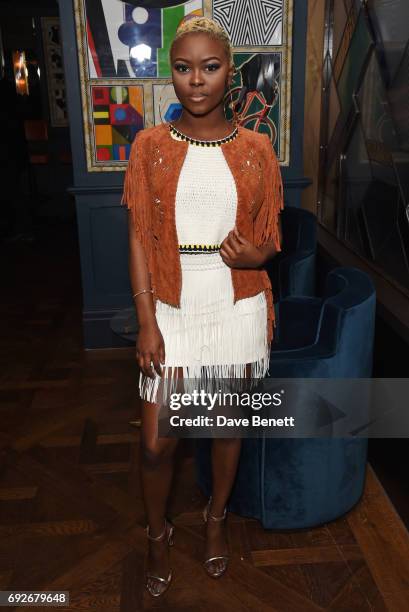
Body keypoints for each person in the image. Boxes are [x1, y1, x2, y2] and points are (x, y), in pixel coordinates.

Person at [122, 16, 284, 598]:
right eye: (184, 68)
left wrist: (255, 255)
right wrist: (146, 321)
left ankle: (215, 520)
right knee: (155, 440)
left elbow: (270, 239)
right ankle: (157, 533)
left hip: (236, 304)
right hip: (169, 303)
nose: (197, 81)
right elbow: (140, 236)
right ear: (172, 74)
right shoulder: (148, 146)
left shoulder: (257, 149)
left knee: (223, 429)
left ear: (229, 74)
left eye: (210, 68)